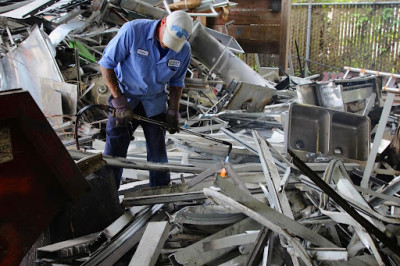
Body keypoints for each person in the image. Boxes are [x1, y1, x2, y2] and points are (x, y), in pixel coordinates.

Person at [98, 10, 193, 189]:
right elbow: (106, 64)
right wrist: (118, 101)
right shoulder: (133, 31)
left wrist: (173, 109)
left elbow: (176, 81)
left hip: (155, 102)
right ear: (163, 23)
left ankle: (160, 195)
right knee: (115, 151)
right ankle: (108, 195)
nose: (168, 47)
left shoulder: (184, 50)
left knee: (158, 153)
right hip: (125, 98)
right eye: (168, 40)